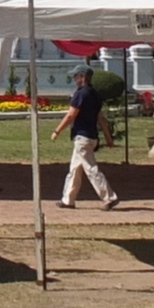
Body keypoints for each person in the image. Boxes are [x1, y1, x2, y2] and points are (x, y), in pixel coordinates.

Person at [52, 57, 118, 210]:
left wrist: (57, 131)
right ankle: (68, 199)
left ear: (82, 77)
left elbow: (71, 115)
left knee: (90, 168)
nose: (74, 79)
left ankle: (109, 197)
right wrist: (108, 138)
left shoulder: (81, 94)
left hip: (83, 137)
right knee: (75, 168)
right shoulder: (94, 94)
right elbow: (100, 118)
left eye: (76, 76)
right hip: (92, 136)